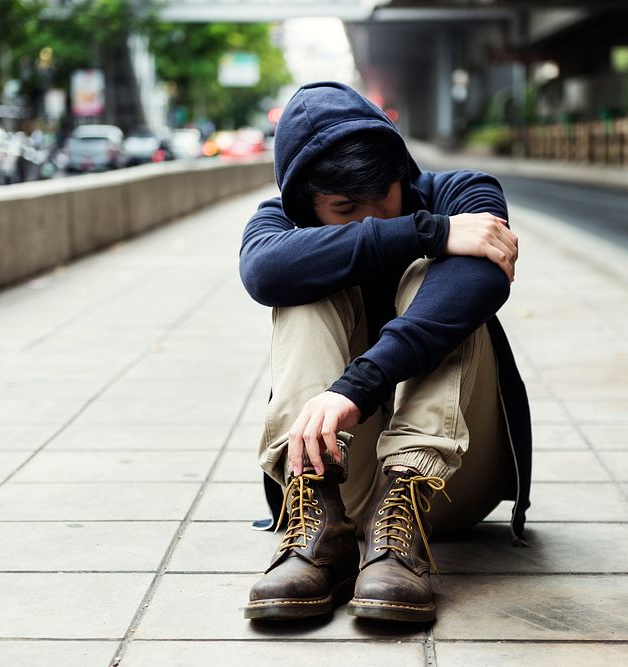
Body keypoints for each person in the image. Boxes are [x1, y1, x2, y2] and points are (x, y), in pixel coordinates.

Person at [238, 81, 532, 623]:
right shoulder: (279, 222)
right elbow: (264, 273)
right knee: (302, 287)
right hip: (346, 483)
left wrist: (358, 385)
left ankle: (399, 531)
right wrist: (427, 231)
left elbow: (478, 283)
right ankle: (317, 528)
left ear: (403, 174)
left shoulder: (465, 194)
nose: (372, 217)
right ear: (304, 203)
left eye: (385, 197)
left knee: (446, 284)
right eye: (346, 207)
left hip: (448, 481)